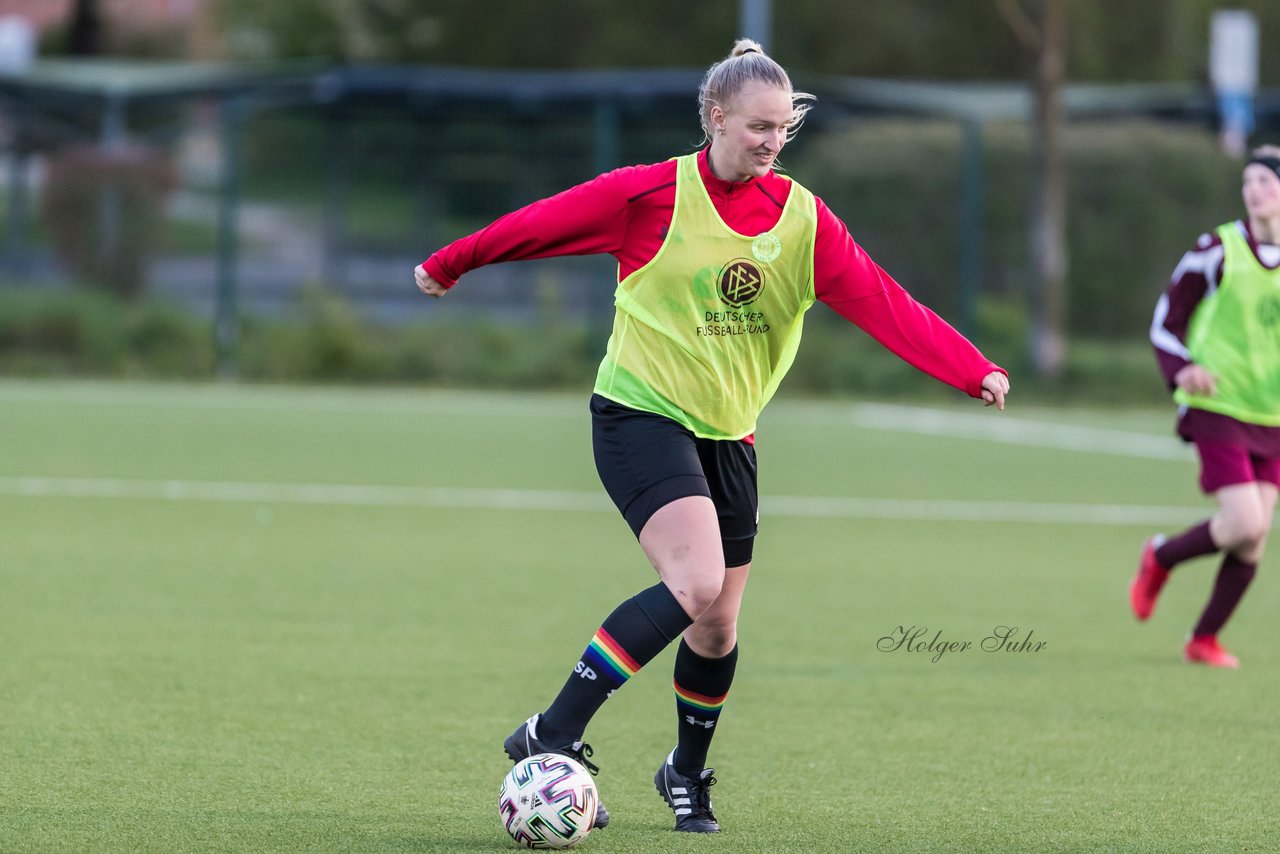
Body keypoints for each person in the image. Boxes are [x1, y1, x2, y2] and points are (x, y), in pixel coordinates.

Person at [415, 39, 1009, 833]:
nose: (770, 142)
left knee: (718, 622)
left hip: (731, 438)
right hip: (639, 414)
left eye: (783, 130)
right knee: (695, 583)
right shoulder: (651, 194)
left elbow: (883, 300)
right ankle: (552, 731)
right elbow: (544, 222)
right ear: (716, 117)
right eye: (758, 127)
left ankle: (684, 772)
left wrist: (970, 368)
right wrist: (452, 263)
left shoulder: (802, 220)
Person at [1133, 144, 1280, 669]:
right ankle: (1160, 558)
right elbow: (1164, 322)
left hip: (1272, 415)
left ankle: (1203, 640)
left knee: (1254, 540)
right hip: (1218, 403)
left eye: (1266, 180)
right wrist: (1185, 368)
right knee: (1244, 523)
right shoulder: (1216, 249)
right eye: (1249, 182)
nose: (1255, 190)